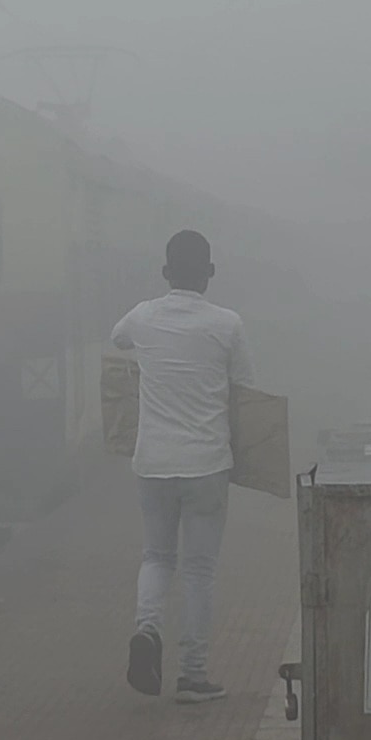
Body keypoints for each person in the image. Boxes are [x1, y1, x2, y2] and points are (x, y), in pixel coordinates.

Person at [110, 230, 255, 704]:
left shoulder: (143, 316)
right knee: (198, 571)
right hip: (207, 464)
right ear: (209, 274)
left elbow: (118, 338)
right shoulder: (227, 325)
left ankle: (147, 631)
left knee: (156, 557)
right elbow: (245, 387)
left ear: (166, 272)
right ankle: (192, 675)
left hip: (152, 464)